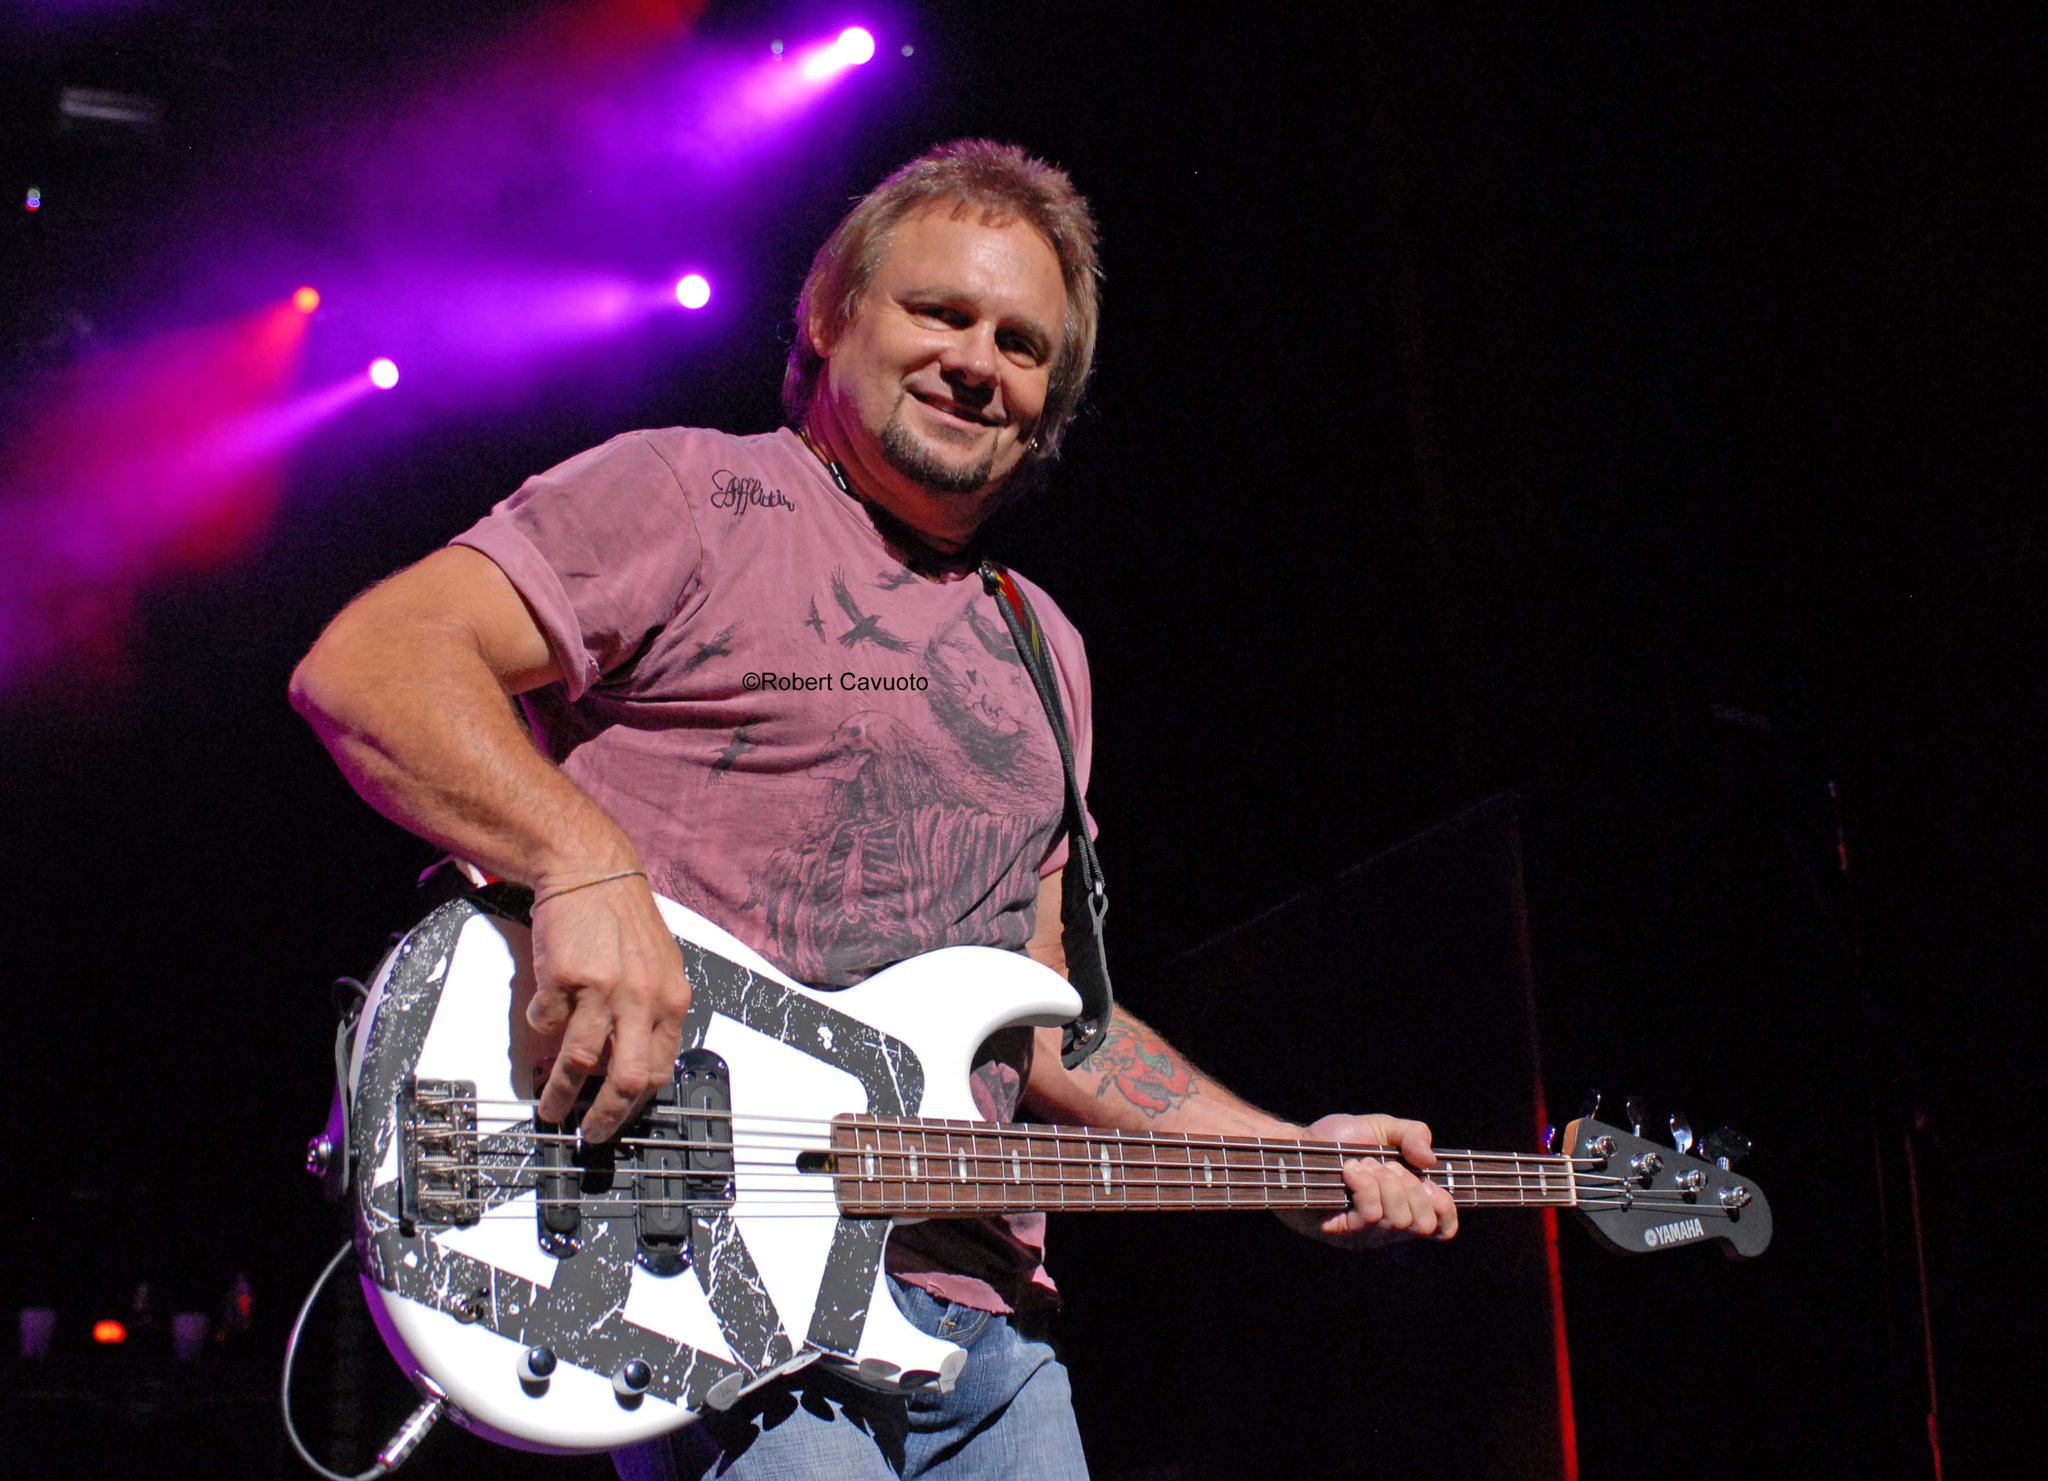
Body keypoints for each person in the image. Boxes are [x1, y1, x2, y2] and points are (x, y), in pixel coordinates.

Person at [290, 139, 1457, 1480]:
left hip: (987, 1335)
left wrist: (1284, 1155)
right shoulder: (693, 495)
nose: (978, 359)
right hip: (713, 1293)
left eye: (1023, 344)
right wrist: (584, 865)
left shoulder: (1044, 645)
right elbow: (372, 665)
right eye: (941, 312)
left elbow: (1045, 1024)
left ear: (1048, 406)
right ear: (830, 315)